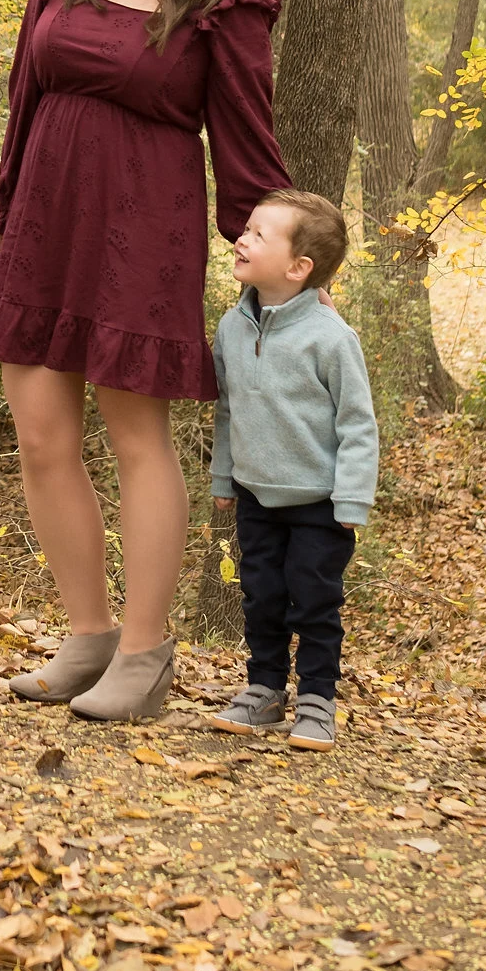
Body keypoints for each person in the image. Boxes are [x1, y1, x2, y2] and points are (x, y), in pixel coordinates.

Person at [0, 0, 290, 722]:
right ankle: (88, 637)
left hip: (142, 230)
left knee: (135, 437)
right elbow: (25, 98)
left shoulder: (221, 9)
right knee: (39, 434)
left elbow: (248, 150)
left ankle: (147, 654)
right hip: (44, 215)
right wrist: (4, 206)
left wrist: (282, 271)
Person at [208, 189, 377, 751]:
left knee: (315, 599)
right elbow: (229, 409)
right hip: (256, 496)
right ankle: (264, 689)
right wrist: (223, 479)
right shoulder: (232, 328)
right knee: (261, 595)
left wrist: (352, 501)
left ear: (299, 267)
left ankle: (317, 701)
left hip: (319, 503)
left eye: (259, 234)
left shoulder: (332, 337)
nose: (242, 238)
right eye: (246, 228)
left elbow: (357, 424)